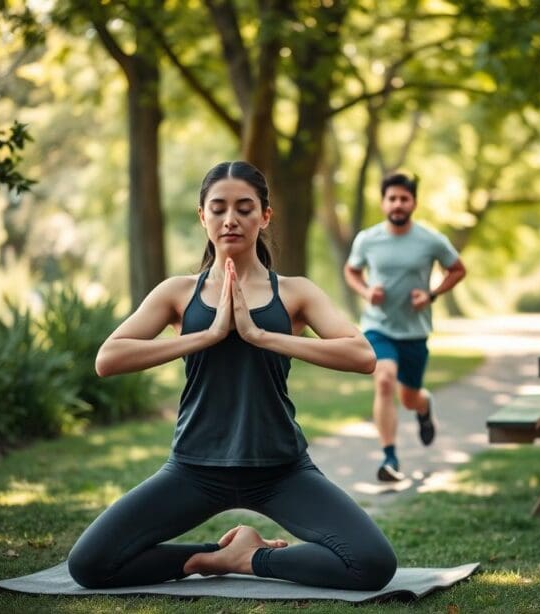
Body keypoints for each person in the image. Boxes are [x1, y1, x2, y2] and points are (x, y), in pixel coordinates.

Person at [67, 161, 397, 590]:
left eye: (244, 208)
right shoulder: (177, 292)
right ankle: (211, 558)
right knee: (90, 565)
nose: (231, 219)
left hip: (281, 468)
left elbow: (361, 355)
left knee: (372, 563)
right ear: (202, 216)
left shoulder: (296, 292)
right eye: (218, 208)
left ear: (265, 216)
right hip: (193, 468)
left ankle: (250, 559)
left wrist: (261, 335)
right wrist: (207, 335)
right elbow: (108, 358)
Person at [343, 173, 466, 482]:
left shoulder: (430, 239)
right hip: (378, 327)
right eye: (392, 198)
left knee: (410, 398)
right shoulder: (367, 239)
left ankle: (424, 408)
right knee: (384, 381)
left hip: (414, 331)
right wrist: (365, 291)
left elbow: (458, 268)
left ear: (414, 203)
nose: (398, 204)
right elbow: (352, 270)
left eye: (404, 198)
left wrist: (431, 294)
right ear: (383, 202)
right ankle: (390, 458)